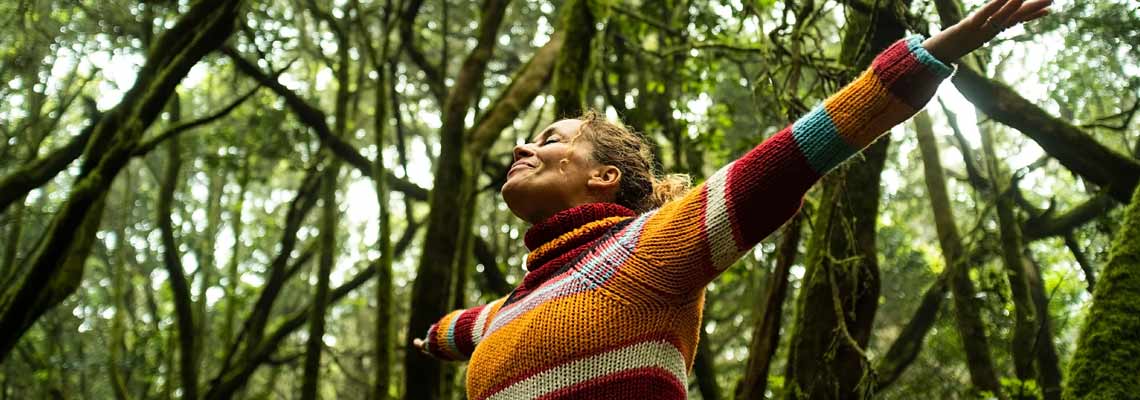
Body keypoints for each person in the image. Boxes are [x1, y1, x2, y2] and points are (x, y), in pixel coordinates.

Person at [413, 0, 1052, 398]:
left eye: (549, 140)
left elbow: (791, 157)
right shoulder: (510, 308)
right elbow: (463, 328)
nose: (523, 147)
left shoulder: (644, 254)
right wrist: (432, 338)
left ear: (603, 177)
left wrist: (933, 54)